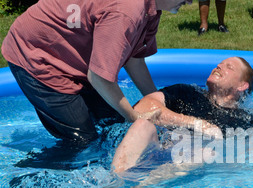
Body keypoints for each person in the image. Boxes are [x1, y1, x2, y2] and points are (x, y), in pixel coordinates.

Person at [1, 0, 192, 144]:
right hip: (37, 55)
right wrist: (136, 121)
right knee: (82, 141)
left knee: (113, 126)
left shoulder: (150, 9)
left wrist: (155, 102)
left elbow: (134, 59)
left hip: (71, 58)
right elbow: (99, 78)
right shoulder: (127, 11)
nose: (191, 1)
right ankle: (29, 183)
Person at [111, 56, 253, 173]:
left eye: (229, 67)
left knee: (205, 153)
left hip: (185, 165)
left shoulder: (247, 121)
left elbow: (248, 160)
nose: (219, 66)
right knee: (142, 124)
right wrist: (195, 123)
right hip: (154, 147)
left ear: (242, 85)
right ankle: (117, 181)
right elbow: (142, 107)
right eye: (219, 64)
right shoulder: (187, 92)